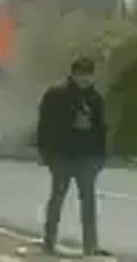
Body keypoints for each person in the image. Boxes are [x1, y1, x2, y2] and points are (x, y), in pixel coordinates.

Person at [38, 57, 109, 257]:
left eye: (89, 74)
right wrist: (46, 152)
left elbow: (101, 128)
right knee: (58, 197)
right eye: (83, 74)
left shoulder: (94, 97)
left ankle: (90, 244)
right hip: (62, 153)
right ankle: (49, 240)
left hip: (86, 155)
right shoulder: (57, 94)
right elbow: (45, 124)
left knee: (88, 200)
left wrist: (100, 155)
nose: (86, 79)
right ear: (74, 74)